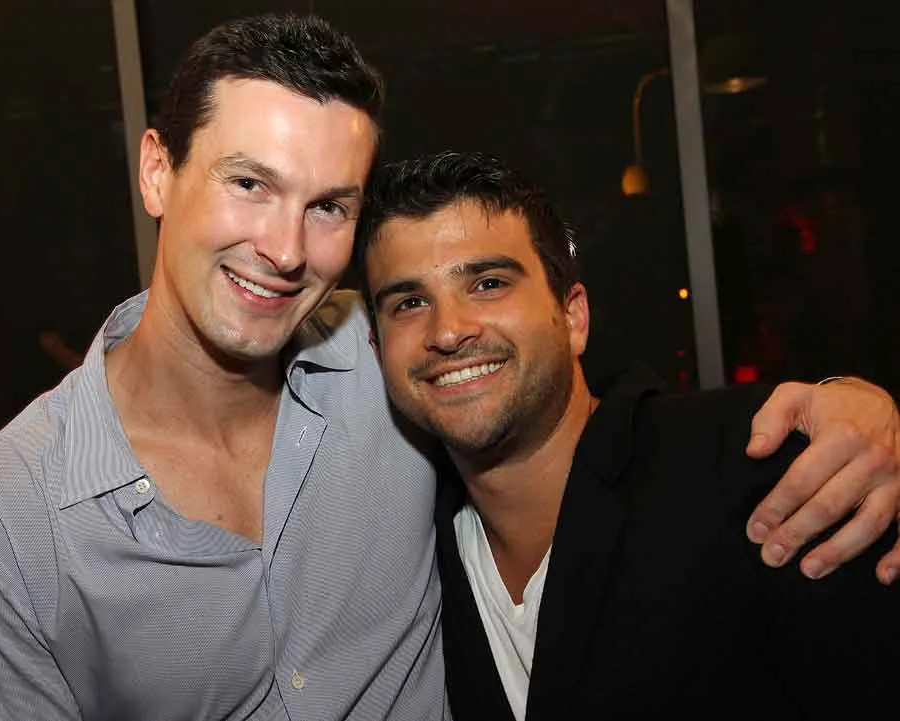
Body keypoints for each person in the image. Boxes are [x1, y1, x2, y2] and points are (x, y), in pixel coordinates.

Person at [0, 14, 900, 721]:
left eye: (328, 206)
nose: (283, 248)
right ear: (156, 171)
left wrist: (859, 405)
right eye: (249, 183)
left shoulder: (388, 369)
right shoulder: (4, 521)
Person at [355, 150, 900, 719]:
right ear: (377, 348)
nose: (447, 331)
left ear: (573, 317)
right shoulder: (411, 548)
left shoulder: (759, 472)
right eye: (409, 302)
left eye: (489, 283)